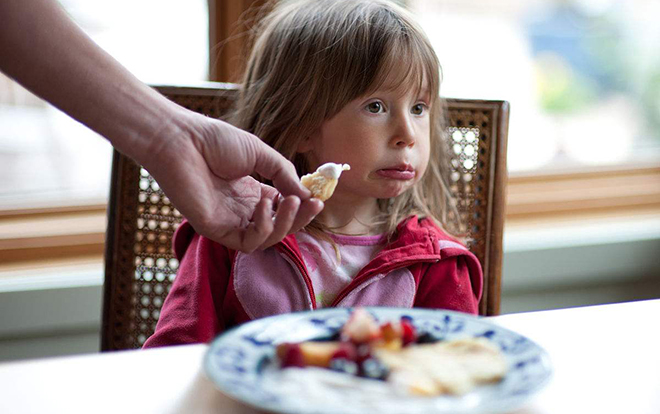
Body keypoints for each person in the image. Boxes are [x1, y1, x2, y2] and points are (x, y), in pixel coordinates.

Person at [144, 0, 483, 348]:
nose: (408, 134)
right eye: (376, 106)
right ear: (302, 126)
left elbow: (457, 373)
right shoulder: (231, 238)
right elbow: (175, 358)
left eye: (418, 107)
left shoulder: (438, 263)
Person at [0, 0, 323, 252]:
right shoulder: (230, 248)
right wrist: (168, 138)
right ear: (305, 128)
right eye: (373, 107)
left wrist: (169, 137)